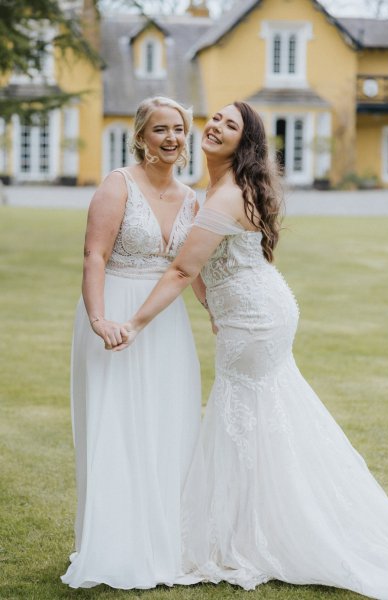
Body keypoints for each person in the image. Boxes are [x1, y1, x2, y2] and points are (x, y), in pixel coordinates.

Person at [110, 101, 388, 599]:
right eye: (216, 118)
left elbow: (181, 269)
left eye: (231, 125)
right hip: (257, 310)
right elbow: (201, 270)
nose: (217, 127)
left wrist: (134, 321)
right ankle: (260, 519)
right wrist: (209, 308)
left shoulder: (224, 197)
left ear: (245, 143)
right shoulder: (221, 190)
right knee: (265, 415)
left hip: (254, 317)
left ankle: (252, 532)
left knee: (241, 414)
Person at [61, 96, 204, 589]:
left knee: (168, 425)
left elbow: (191, 269)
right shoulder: (116, 184)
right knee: (115, 425)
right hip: (116, 310)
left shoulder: (193, 198)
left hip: (166, 321)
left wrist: (221, 313)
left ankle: (164, 543)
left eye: (179, 129)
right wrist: (100, 317)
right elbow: (94, 256)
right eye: (160, 129)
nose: (171, 138)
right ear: (141, 136)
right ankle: (113, 544)